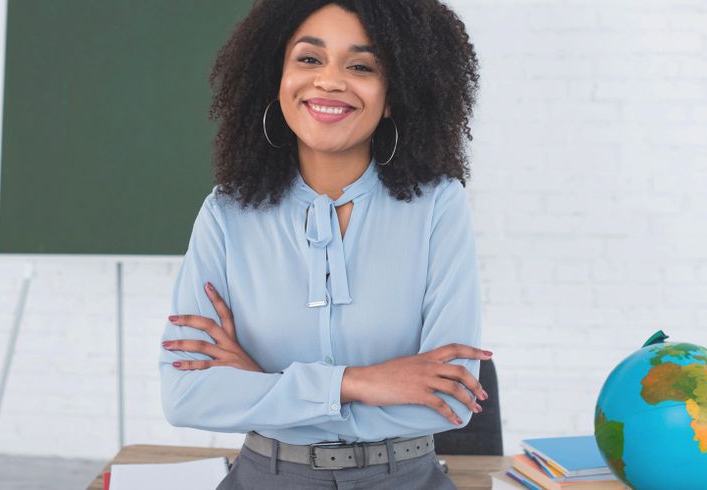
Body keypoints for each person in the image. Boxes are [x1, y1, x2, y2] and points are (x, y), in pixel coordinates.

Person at [159, 1, 488, 487]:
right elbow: (184, 395)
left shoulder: (439, 206)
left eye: (361, 66)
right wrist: (359, 384)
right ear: (277, 76)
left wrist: (265, 389)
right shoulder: (225, 214)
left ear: (393, 93)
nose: (330, 81)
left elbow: (449, 404)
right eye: (309, 59)